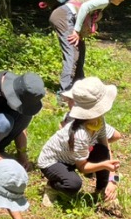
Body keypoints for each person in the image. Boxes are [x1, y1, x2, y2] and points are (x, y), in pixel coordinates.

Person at [37, 76, 122, 208]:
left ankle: (102, 191)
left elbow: (106, 148)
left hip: (74, 158)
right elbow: (83, 168)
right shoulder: (80, 134)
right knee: (73, 184)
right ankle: (52, 187)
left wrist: (112, 179)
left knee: (101, 151)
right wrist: (105, 165)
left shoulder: (99, 121)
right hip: (53, 162)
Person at [49, 0, 131, 92]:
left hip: (67, 16)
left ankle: (79, 85)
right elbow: (84, 7)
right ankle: (64, 92)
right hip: (63, 16)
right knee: (72, 54)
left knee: (80, 49)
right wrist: (76, 31)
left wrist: (79, 30)